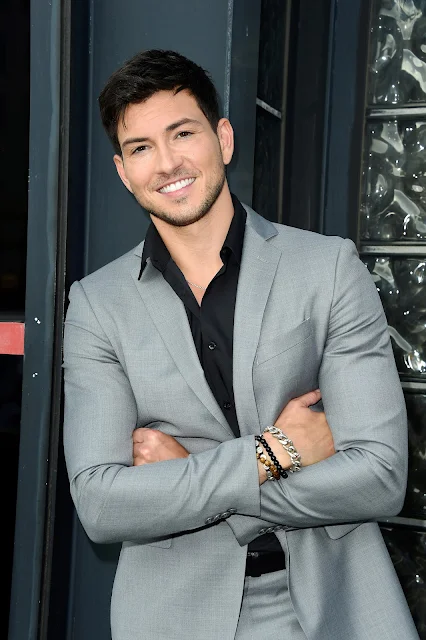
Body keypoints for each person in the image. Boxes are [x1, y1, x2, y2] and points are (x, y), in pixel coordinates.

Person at [63, 49, 419, 640]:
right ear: (124, 172)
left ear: (223, 139)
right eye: (141, 147)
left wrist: (193, 476)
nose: (167, 163)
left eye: (183, 133)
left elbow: (379, 476)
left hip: (333, 603)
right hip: (174, 615)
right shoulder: (97, 306)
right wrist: (271, 454)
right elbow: (102, 506)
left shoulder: (327, 268)